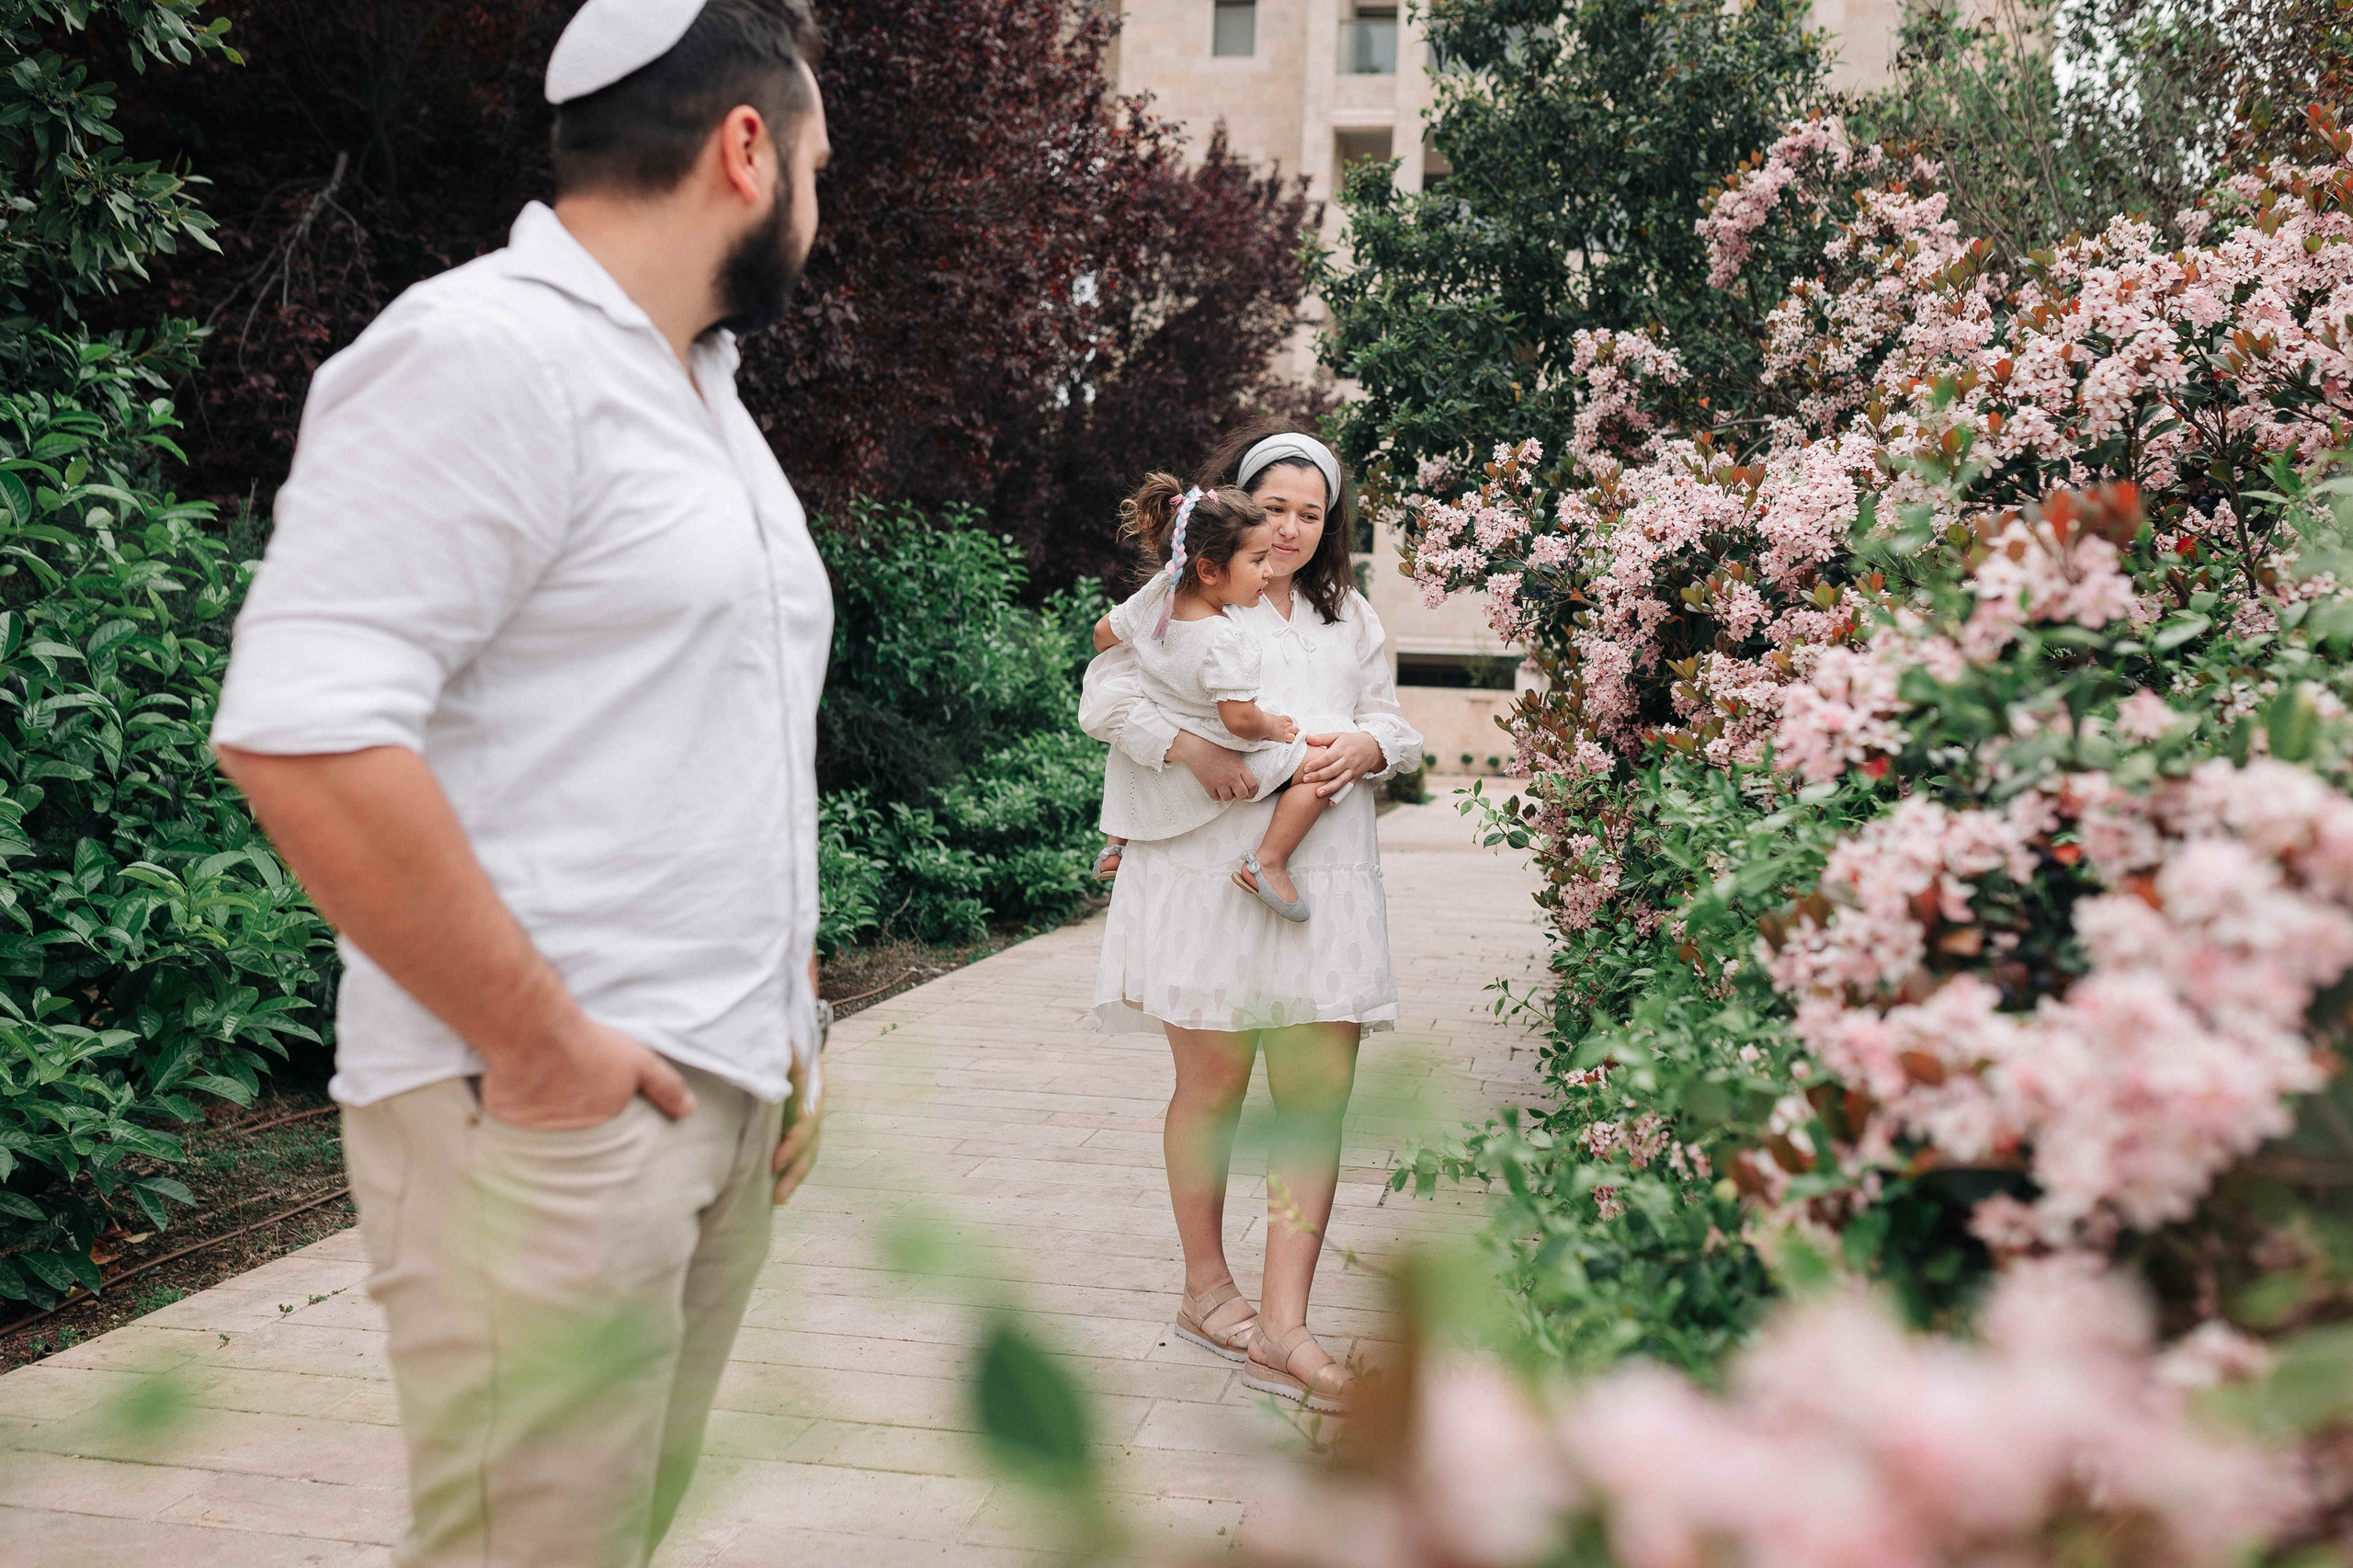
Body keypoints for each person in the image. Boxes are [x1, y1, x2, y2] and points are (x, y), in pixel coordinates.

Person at [209, 4, 832, 1563]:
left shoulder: (706, 394)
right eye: (820, 163)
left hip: (708, 1090)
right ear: (745, 149)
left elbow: (703, 730)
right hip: (541, 1117)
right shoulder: (482, 350)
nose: (823, 206)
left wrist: (785, 1012)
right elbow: (300, 729)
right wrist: (542, 1047)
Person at [1081, 425, 1423, 1414]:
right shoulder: (1177, 600)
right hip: (1200, 871)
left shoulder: (1347, 615)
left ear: (1332, 525)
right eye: (1271, 506)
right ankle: (1205, 1290)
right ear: (1231, 507)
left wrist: (1366, 746)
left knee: (1314, 1100)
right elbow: (1101, 693)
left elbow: (1391, 720)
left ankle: (1284, 1325)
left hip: (1325, 878)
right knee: (1215, 1085)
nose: (1289, 527)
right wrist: (1186, 749)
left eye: (1310, 512)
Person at [1089, 475, 1347, 922]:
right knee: (1321, 768)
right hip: (1217, 742)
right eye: (1258, 560)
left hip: (1161, 736)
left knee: (1127, 751)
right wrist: (1273, 725)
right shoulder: (1225, 639)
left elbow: (1100, 635)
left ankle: (1116, 845)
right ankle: (1269, 862)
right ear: (1209, 570)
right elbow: (1239, 721)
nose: (1269, 571)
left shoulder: (1158, 593)